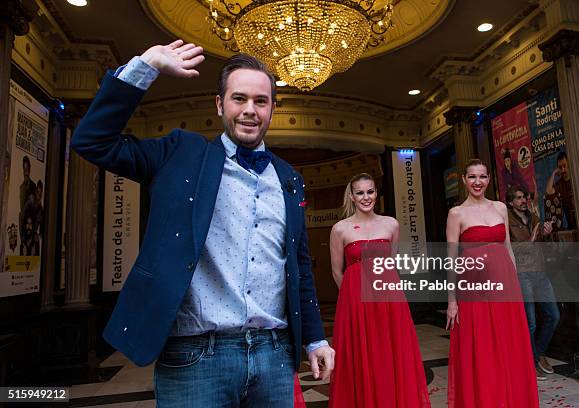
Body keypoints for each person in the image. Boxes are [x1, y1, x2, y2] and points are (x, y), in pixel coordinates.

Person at [71, 40, 334, 407]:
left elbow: (299, 266)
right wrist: (145, 66)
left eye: (261, 101)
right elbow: (92, 142)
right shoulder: (181, 154)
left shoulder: (288, 178)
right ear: (219, 104)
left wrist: (316, 338)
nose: (249, 110)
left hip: (273, 355)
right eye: (238, 99)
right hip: (195, 358)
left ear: (273, 108)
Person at [327, 173, 430, 407]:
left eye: (370, 191)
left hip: (389, 300)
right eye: (360, 193)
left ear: (376, 193)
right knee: (361, 358)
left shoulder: (391, 224)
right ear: (352, 196)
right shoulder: (340, 229)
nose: (366, 197)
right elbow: (336, 272)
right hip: (355, 303)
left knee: (390, 354)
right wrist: (353, 302)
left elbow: (389, 264)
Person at [446, 159, 538, 407]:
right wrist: (452, 300)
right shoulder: (456, 213)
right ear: (464, 180)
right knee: (481, 344)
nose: (478, 182)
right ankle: (486, 398)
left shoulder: (499, 208)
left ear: (489, 179)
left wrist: (515, 283)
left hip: (504, 283)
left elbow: (507, 246)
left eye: (482, 177)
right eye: (472, 177)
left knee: (508, 342)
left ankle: (510, 398)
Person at [507, 185, 560, 380]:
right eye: (519, 198)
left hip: (540, 271)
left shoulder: (533, 217)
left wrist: (546, 232)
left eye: (525, 198)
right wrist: (530, 239)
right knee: (530, 322)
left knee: (553, 315)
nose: (524, 201)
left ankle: (538, 353)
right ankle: (531, 362)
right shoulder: (507, 220)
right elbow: (507, 248)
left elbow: (542, 240)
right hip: (522, 274)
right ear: (511, 202)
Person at [545, 151, 576, 230]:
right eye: (560, 167)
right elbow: (548, 191)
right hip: (571, 225)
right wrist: (554, 173)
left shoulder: (576, 179)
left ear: (569, 164)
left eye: (564, 166)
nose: (563, 169)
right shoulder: (560, 184)